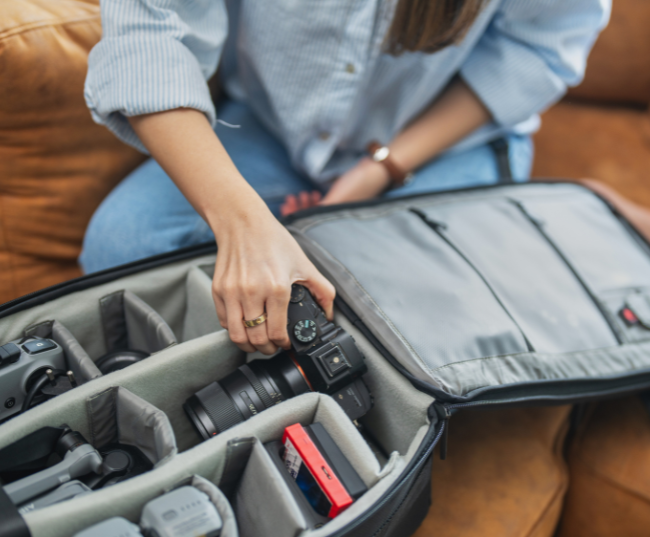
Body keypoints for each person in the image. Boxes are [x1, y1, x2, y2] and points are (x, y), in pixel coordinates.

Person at [81, 0, 610, 355]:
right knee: (121, 246)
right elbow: (150, 37)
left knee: (414, 329)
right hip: (275, 127)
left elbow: (535, 50)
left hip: (439, 142)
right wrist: (244, 224)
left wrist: (383, 167)